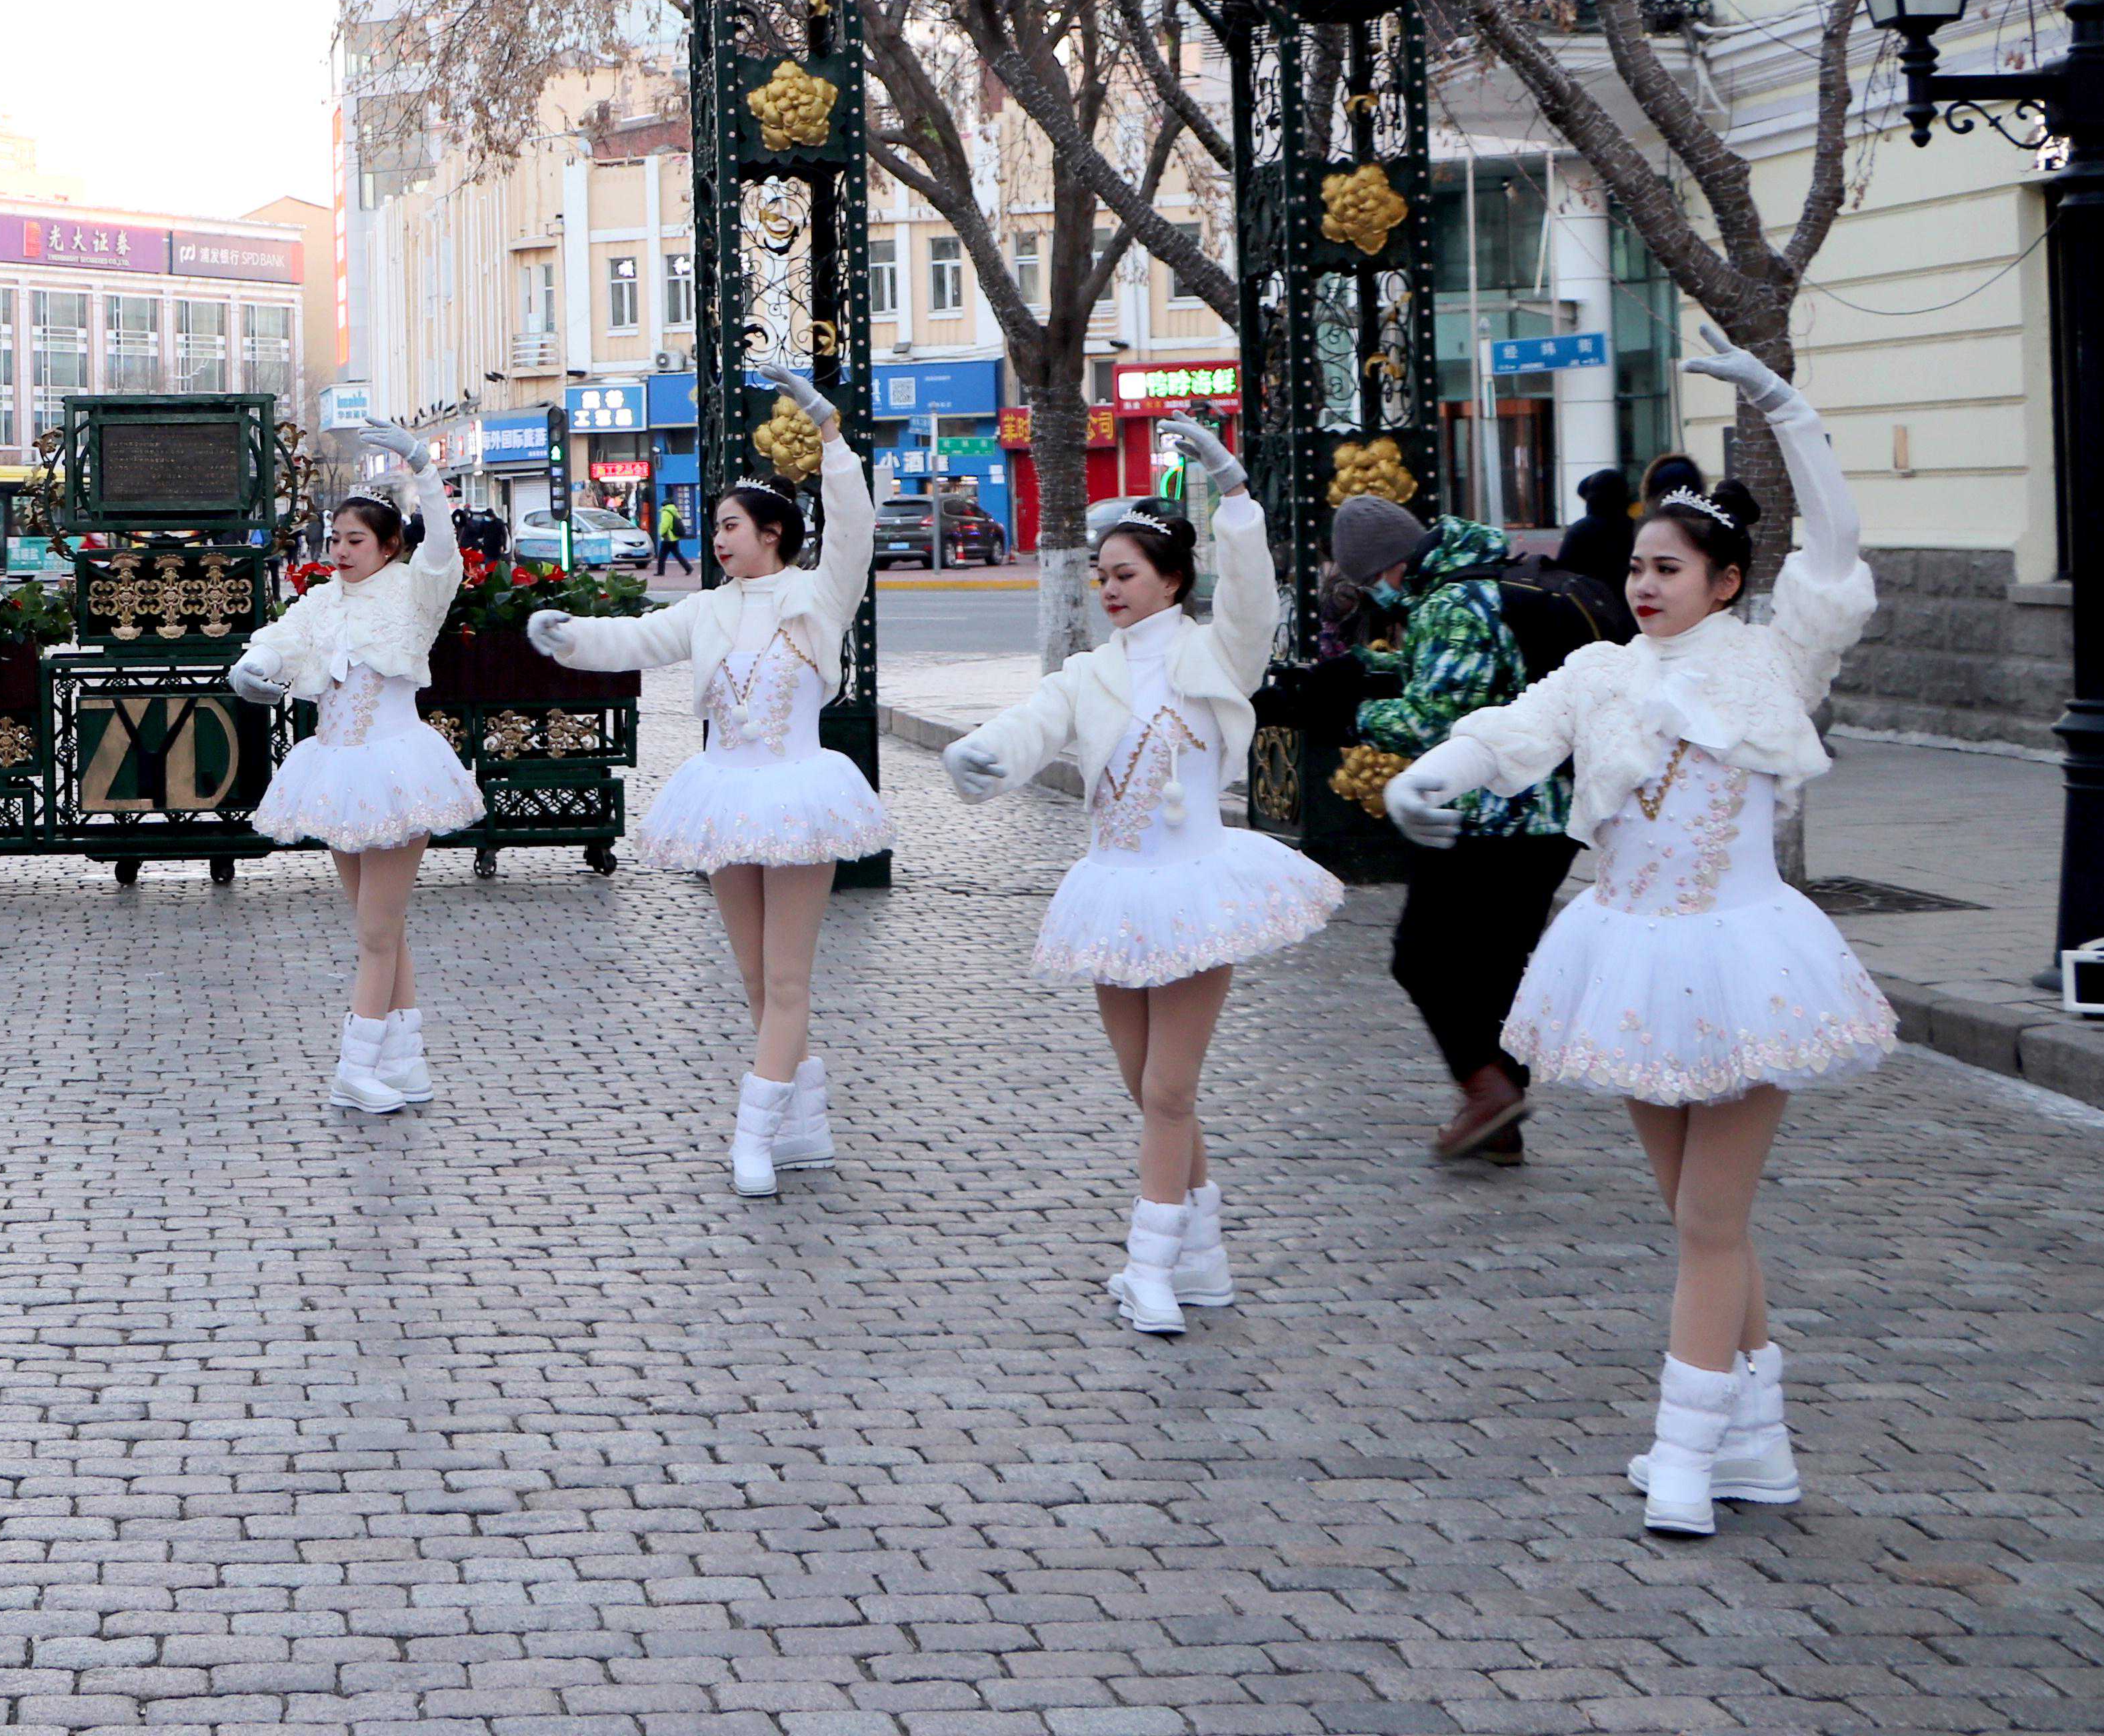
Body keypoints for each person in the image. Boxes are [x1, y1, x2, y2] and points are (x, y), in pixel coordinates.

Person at [1389, 332, 1895, 1539]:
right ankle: (1758, 1446)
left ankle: (1683, 1453)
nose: (1647, 585)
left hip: (1745, 958)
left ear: (1726, 581)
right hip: (1627, 959)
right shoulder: (1602, 674)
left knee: (1709, 1223)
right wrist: (1433, 773)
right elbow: (1512, 730)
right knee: (1698, 1220)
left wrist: (1789, 413)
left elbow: (1836, 555)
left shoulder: (1776, 661)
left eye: (1670, 568)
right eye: (1637, 568)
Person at [940, 420, 1337, 1335]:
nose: (1110, 588)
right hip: (1114, 892)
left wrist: (1235, 495)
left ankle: (1150, 1267)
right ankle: (1204, 1257)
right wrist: (981, 755)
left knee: (1168, 1090)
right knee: (1146, 1088)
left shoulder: (1215, 656)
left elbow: (1253, 602)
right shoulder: (1089, 674)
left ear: (1172, 580)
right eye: (1101, 575)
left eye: (1125, 573)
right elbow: (1033, 723)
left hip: (1196, 887)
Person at [527, 371, 883, 1195]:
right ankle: (805, 1124)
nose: (716, 539)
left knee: (786, 979)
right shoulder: (708, 609)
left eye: (730, 525)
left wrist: (832, 439)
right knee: (755, 978)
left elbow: (854, 528)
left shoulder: (819, 595)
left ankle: (752, 1135)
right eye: (715, 526)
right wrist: (566, 636)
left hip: (797, 796)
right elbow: (635, 639)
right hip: (724, 794)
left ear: (773, 532)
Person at [228, 427, 480, 1112]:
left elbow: (443, 549)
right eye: (334, 538)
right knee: (381, 926)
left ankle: (355, 1065)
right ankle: (403, 1060)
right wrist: (254, 666)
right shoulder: (323, 600)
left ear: (388, 546)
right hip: (336, 770)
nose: (339, 551)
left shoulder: (416, 592)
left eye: (355, 540)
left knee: (376, 930)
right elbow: (281, 640)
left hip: (396, 769)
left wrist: (423, 469)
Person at [1330, 495, 1579, 1166]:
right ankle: (1500, 1118)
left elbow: (1436, 721)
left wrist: (1353, 715)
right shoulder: (1485, 583)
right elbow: (1472, 680)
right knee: (1497, 970)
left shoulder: (1449, 604)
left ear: (1388, 567)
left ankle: (1487, 1090)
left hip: (1487, 817)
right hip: (1551, 817)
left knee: (1421, 955)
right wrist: (1371, 672)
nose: (1375, 596)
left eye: (1369, 582)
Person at [1553, 468, 1637, 597]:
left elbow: (1563, 572)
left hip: (1589, 601)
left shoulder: (1579, 531)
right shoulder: (1637, 528)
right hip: (1630, 599)